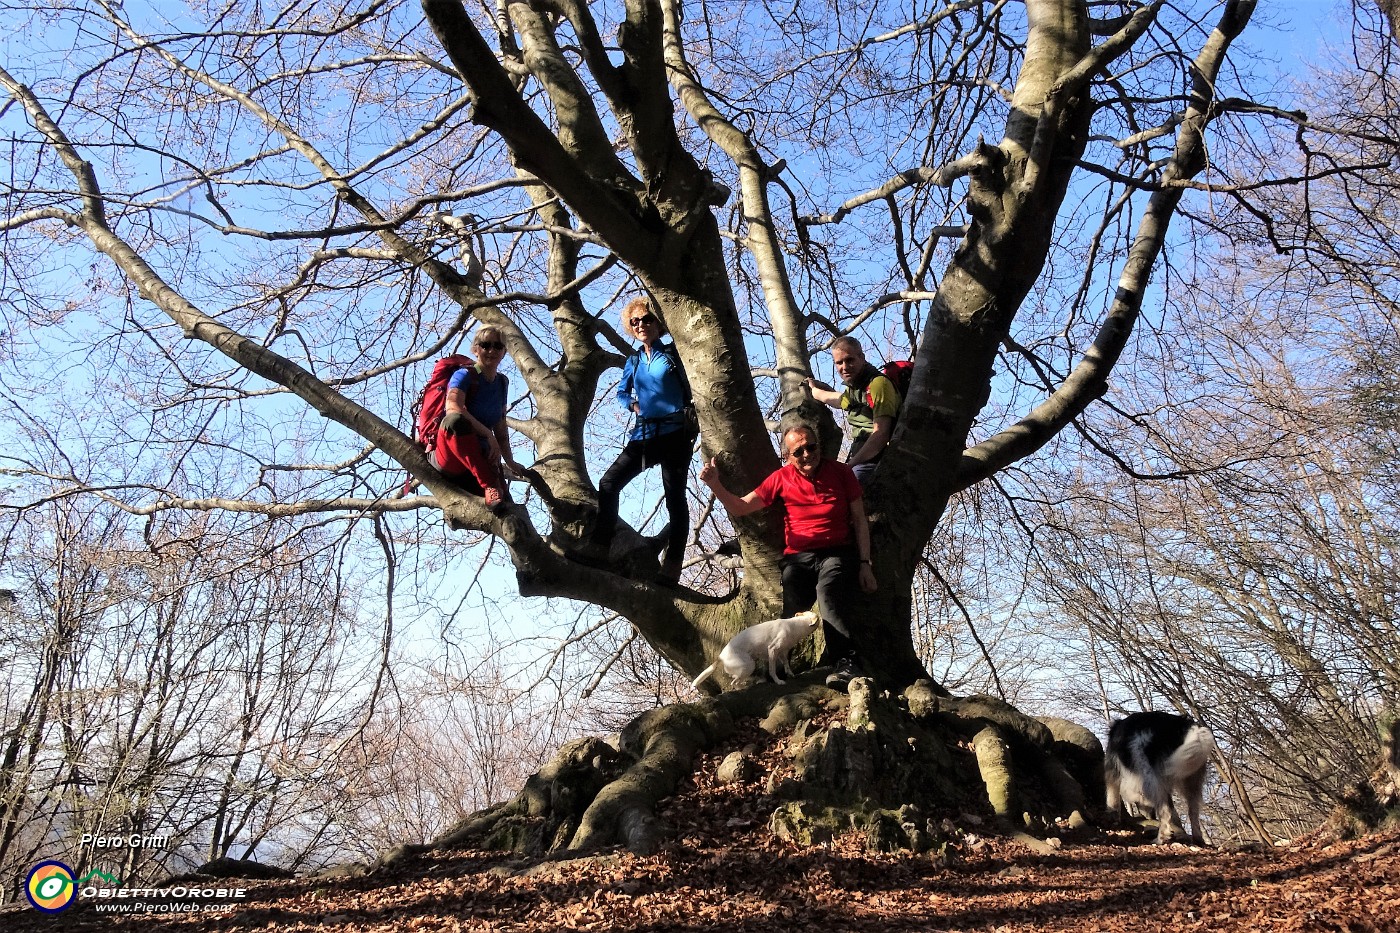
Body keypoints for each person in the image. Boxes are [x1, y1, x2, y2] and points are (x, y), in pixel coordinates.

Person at [699, 424, 877, 688]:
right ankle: (779, 669)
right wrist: (715, 484)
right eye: (798, 451)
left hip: (837, 551)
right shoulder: (781, 479)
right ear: (787, 456)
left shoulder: (841, 473)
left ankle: (845, 663)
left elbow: (860, 520)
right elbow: (741, 507)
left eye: (811, 446)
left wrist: (865, 564)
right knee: (789, 612)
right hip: (798, 556)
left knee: (828, 593)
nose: (807, 454)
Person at [587, 296, 696, 585]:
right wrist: (632, 405)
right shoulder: (634, 360)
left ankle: (672, 566)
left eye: (647, 319)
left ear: (658, 323)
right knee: (608, 483)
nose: (641, 325)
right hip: (644, 436)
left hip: (676, 434)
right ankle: (599, 547)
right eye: (635, 322)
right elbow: (622, 392)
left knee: (675, 499)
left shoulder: (673, 353)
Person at [436, 326, 525, 512]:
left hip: (481, 458)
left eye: (498, 346)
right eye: (485, 345)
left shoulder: (502, 382)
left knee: (509, 512)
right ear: (476, 349)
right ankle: (489, 485)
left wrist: (510, 461)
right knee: (455, 421)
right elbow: (453, 408)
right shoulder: (464, 375)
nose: (491, 350)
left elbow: (500, 427)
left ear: (504, 351)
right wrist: (487, 434)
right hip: (452, 456)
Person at [806, 336, 901, 485]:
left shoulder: (877, 384)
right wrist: (815, 389)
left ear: (861, 358)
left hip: (875, 457)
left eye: (849, 360)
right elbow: (838, 400)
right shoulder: (855, 388)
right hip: (861, 454)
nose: (844, 367)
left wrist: (849, 466)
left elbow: (881, 434)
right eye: (839, 362)